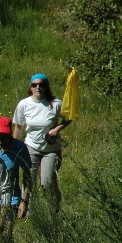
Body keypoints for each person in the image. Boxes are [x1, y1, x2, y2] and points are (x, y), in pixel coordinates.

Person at [12, 73, 72, 214]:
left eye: (41, 84)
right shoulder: (24, 104)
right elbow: (19, 127)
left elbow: (70, 117)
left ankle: (54, 209)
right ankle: (26, 209)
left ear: (46, 87)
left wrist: (58, 128)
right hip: (31, 147)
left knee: (47, 182)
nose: (38, 87)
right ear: (30, 87)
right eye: (34, 85)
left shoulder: (55, 104)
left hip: (51, 149)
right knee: (28, 180)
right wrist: (14, 146)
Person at [0, 116, 32, 243]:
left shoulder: (20, 147)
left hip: (12, 197)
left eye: (4, 137)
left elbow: (27, 174)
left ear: (11, 133)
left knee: (7, 232)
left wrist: (24, 201)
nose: (0, 140)